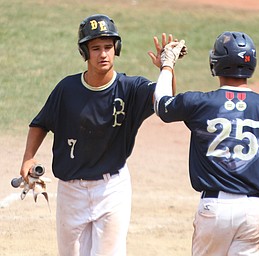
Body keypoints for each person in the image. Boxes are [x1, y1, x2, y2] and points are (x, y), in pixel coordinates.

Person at [18, 14, 175, 256]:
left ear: (116, 49)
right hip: (71, 191)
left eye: (108, 47)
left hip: (111, 189)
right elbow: (41, 123)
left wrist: (167, 68)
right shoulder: (67, 89)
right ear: (85, 53)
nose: (103, 54)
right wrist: (28, 157)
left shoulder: (130, 88)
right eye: (96, 48)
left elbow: (165, 101)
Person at [154, 31, 259, 255]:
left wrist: (167, 64)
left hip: (213, 211)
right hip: (254, 213)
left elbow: (162, 104)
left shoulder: (199, 103)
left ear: (216, 64)